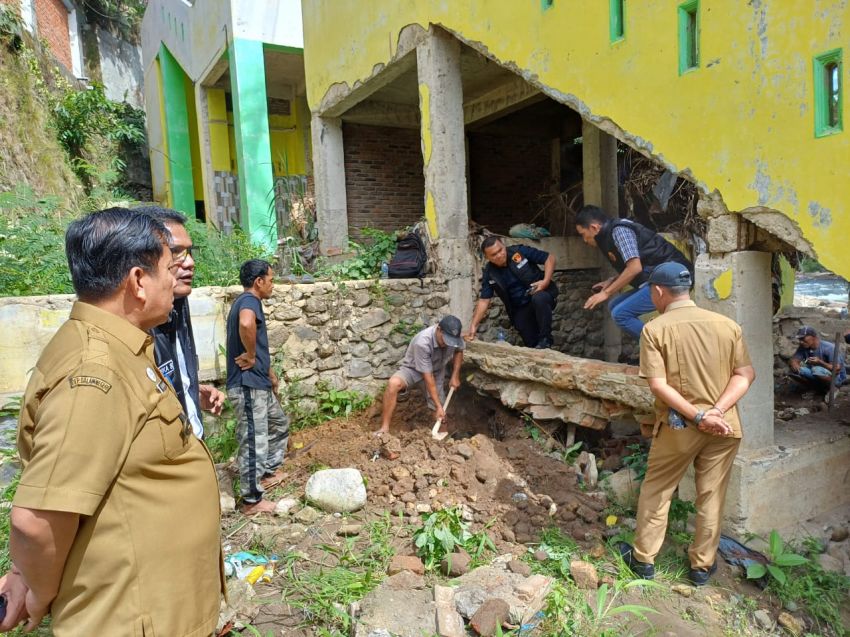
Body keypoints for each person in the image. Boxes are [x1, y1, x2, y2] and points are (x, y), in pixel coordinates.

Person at [0, 209, 222, 635]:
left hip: (155, 605)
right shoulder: (95, 373)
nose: (174, 280)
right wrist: (39, 589)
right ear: (138, 281)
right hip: (130, 617)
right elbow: (38, 519)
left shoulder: (122, 349)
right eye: (167, 269)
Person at [618, 262, 755, 587]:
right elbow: (746, 374)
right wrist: (716, 412)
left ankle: (643, 560)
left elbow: (658, 385)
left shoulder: (656, 329)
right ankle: (701, 567)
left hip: (681, 427)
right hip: (724, 427)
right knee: (711, 496)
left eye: (650, 291)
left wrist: (698, 416)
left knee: (658, 489)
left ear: (658, 291)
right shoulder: (727, 325)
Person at [138, 206, 226, 438]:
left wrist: (190, 392)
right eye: (176, 253)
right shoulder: (136, 324)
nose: (189, 263)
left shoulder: (178, 304)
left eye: (189, 252)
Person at [226, 259, 289, 515]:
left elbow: (256, 340)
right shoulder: (249, 302)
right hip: (248, 385)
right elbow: (245, 323)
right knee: (254, 440)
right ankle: (252, 500)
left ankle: (265, 473)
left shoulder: (250, 302)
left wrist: (269, 372)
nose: (273, 285)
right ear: (258, 282)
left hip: (259, 381)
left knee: (278, 424)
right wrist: (251, 356)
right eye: (271, 280)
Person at [575, 205, 693, 340]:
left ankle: (660, 349)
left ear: (594, 227)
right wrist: (611, 281)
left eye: (583, 235)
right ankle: (657, 346)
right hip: (658, 277)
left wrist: (605, 293)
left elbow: (635, 268)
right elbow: (638, 264)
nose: (584, 240)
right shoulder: (609, 235)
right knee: (614, 306)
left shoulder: (619, 231)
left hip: (673, 279)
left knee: (621, 314)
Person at [377, 315, 465, 435]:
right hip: (413, 369)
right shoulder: (423, 342)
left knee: (441, 407)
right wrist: (438, 405)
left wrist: (455, 375)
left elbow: (459, 350)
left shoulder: (455, 337)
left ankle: (444, 437)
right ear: (439, 329)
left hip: (437, 370)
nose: (447, 343)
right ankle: (384, 428)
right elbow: (428, 377)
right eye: (445, 339)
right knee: (393, 384)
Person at [467, 236, 557, 348]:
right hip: (519, 308)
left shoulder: (519, 252)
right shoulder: (489, 273)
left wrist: (546, 281)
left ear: (503, 246)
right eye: (494, 255)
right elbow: (484, 300)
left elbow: (549, 258)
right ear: (487, 257)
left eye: (500, 250)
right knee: (531, 343)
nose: (499, 255)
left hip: (540, 294)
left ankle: (546, 338)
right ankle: (540, 352)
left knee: (539, 299)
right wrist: (474, 325)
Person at [788, 326, 846, 392]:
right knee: (794, 369)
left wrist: (820, 362)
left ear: (813, 337)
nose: (801, 342)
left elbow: (837, 369)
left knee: (817, 369)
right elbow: (795, 359)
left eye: (803, 338)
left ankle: (832, 387)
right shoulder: (803, 347)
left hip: (836, 377)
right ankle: (818, 386)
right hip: (817, 374)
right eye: (800, 339)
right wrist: (794, 363)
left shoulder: (829, 347)